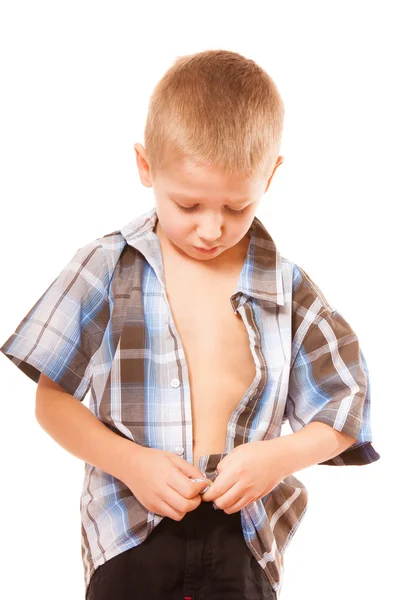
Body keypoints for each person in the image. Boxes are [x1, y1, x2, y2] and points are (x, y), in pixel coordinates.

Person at [0, 49, 380, 600]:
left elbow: (348, 408)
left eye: (235, 208)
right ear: (145, 165)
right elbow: (51, 402)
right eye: (189, 204)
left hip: (242, 538)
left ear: (271, 175)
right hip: (130, 532)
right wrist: (131, 463)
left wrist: (278, 457)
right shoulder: (108, 267)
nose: (210, 228)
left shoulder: (287, 287)